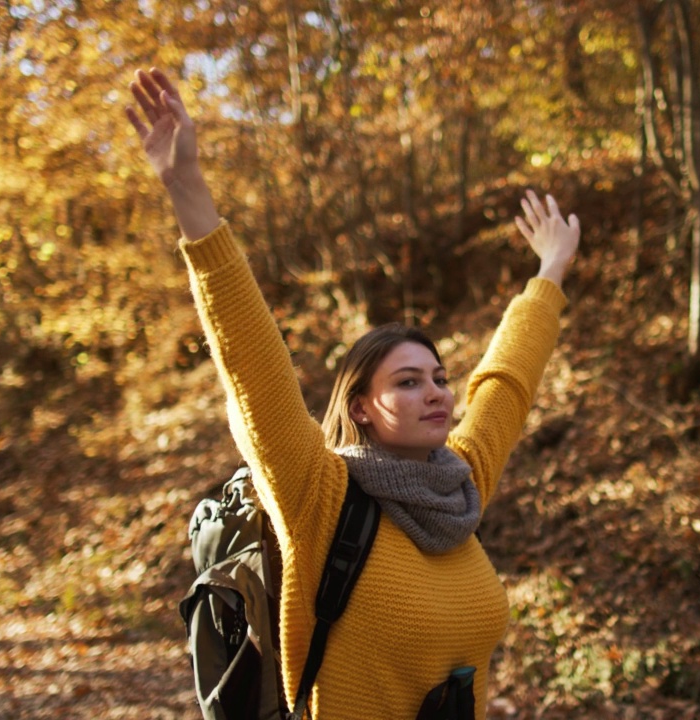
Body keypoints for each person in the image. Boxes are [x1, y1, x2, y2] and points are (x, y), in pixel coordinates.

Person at [125, 67, 580, 719]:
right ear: (361, 407)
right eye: (408, 381)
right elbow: (256, 370)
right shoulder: (320, 495)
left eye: (439, 378)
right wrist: (187, 188)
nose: (438, 393)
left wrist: (552, 269)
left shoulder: (459, 485)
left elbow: (505, 385)